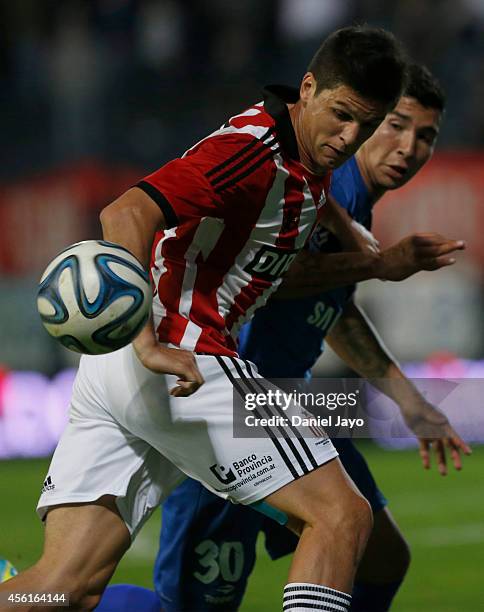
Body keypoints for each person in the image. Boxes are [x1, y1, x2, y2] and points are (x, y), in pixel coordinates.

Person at [0, 28, 441, 612]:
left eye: (367, 123)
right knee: (341, 516)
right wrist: (148, 340)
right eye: (341, 116)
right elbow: (125, 211)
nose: (349, 136)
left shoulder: (302, 147)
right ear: (309, 90)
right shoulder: (249, 150)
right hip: (184, 360)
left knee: (65, 586)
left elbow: (307, 191)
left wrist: (360, 244)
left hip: (121, 376)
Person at [153, 64, 471, 612]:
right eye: (396, 125)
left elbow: (335, 312)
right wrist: (378, 266)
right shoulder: (333, 183)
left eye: (426, 136)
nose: (409, 147)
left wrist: (410, 402)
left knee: (381, 552)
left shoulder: (356, 202)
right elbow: (266, 277)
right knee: (188, 606)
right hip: (235, 405)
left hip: (293, 402)